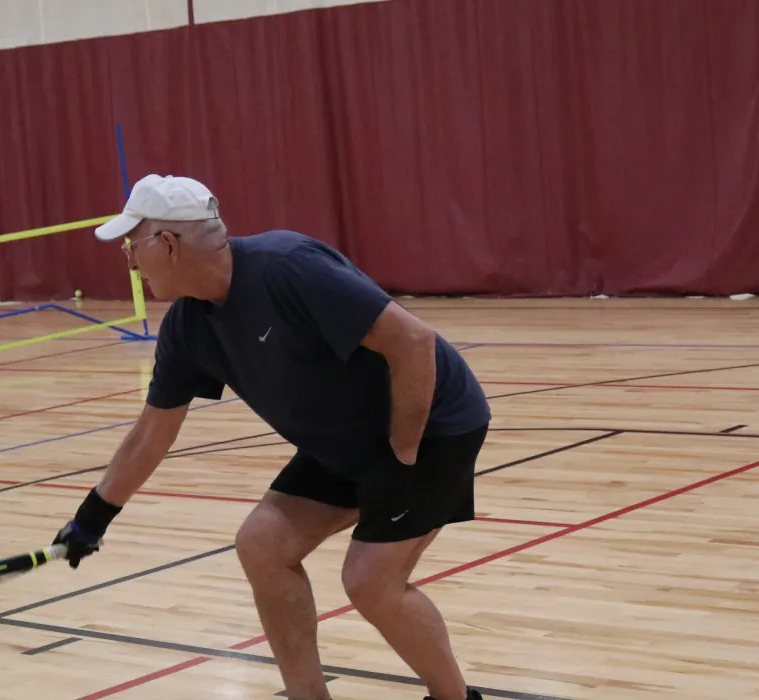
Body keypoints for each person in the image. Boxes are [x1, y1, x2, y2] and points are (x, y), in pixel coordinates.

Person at [53, 174, 490, 700]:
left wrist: (402, 455)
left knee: (370, 583)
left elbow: (414, 342)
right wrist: (93, 517)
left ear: (167, 244)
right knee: (261, 544)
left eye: (132, 245)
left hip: (428, 424)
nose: (129, 263)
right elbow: (152, 432)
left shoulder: (288, 268)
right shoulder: (186, 329)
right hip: (345, 441)